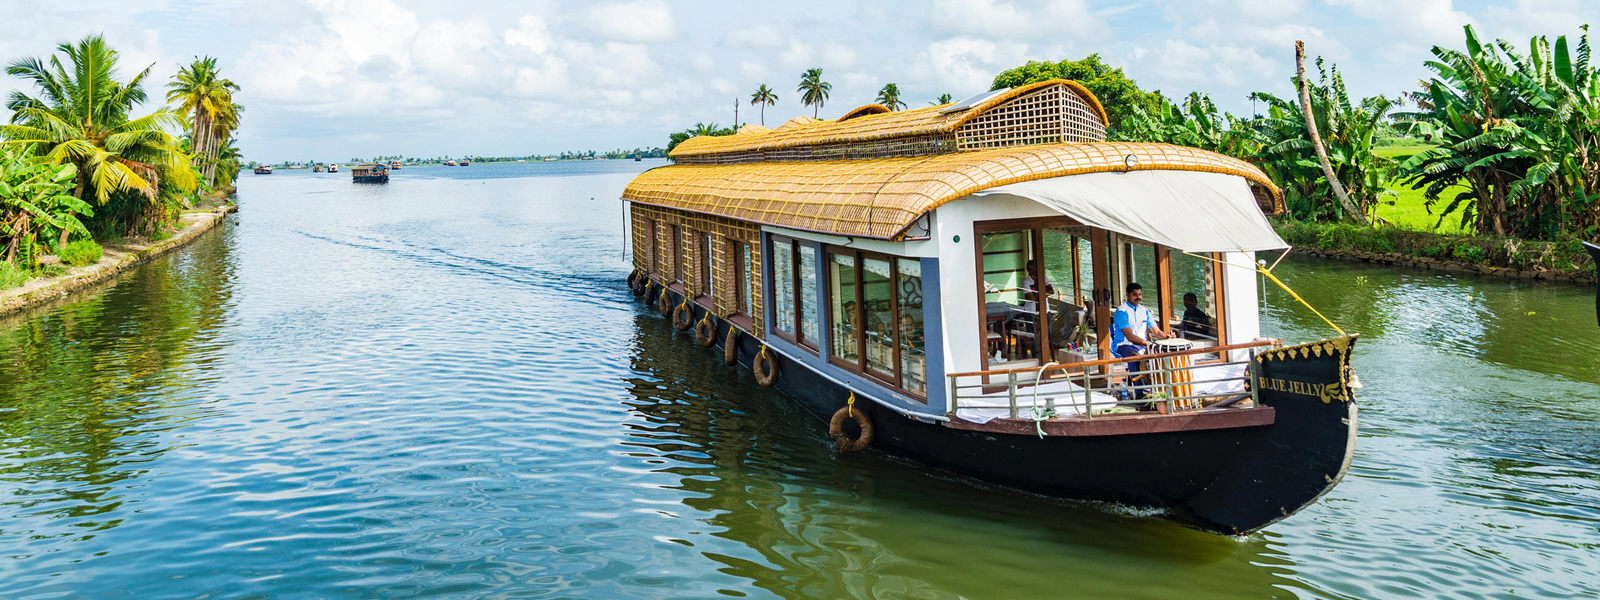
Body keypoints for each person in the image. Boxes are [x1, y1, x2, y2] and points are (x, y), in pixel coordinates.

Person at [1112, 283, 1170, 398]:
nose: (1138, 297)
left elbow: (1157, 332)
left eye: (1140, 294)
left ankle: (1157, 389)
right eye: (1135, 295)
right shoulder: (1121, 312)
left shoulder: (1145, 311)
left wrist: (1168, 338)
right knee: (1135, 357)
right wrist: (1149, 344)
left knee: (1158, 354)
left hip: (1142, 344)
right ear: (1127, 295)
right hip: (1123, 344)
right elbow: (1130, 337)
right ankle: (1139, 393)